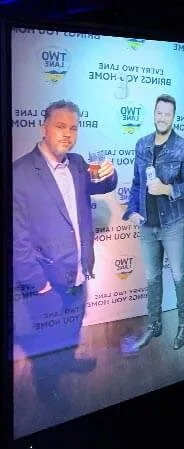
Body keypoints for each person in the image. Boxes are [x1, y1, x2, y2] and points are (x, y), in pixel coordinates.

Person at [13, 100, 117, 362]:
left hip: (79, 273)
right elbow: (16, 240)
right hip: (47, 283)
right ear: (44, 128)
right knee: (46, 348)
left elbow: (104, 185)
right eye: (60, 126)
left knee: (72, 330)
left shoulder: (78, 164)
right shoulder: (20, 173)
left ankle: (69, 363)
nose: (67, 134)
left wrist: (110, 174)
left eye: (73, 128)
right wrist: (40, 285)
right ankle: (49, 382)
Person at [124, 94, 184, 351]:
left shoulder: (183, 147)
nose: (162, 118)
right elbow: (136, 183)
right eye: (159, 112)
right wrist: (132, 210)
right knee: (152, 278)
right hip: (147, 224)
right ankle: (154, 325)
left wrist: (167, 189)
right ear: (154, 113)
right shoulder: (142, 144)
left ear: (173, 117)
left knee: (178, 274)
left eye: (167, 114)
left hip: (173, 224)